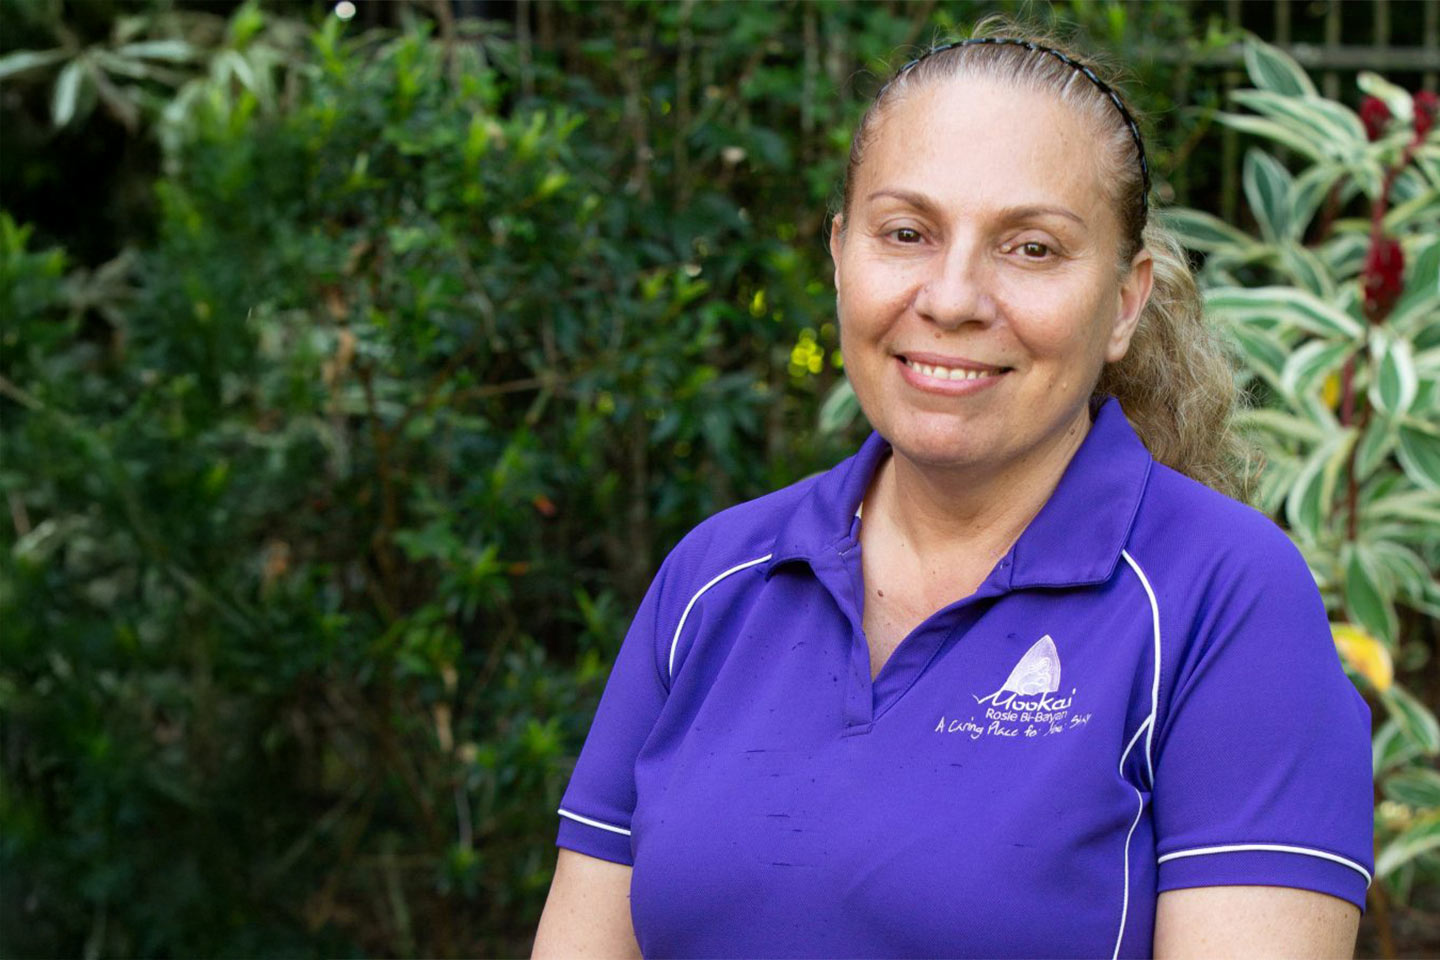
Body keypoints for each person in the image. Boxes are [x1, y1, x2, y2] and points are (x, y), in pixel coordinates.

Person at [533, 21, 1373, 959]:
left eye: (1032, 248)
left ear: (1125, 302)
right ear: (841, 255)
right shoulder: (714, 580)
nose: (954, 296)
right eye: (907, 233)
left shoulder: (1224, 598)